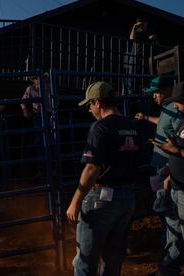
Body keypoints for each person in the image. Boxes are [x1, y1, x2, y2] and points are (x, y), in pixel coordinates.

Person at [66, 81, 141, 275]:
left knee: (86, 260)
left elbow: (92, 168)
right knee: (113, 258)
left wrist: (75, 201)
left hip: (102, 197)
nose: (90, 110)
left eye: (90, 104)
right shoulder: (131, 126)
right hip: (127, 197)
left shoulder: (100, 127)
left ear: (98, 102)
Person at [134, 75, 180, 248]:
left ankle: (171, 244)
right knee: (161, 205)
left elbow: (179, 137)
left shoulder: (174, 110)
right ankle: (167, 239)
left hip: (167, 168)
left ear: (168, 90)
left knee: (168, 207)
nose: (154, 96)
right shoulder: (167, 108)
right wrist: (146, 118)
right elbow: (162, 123)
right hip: (158, 166)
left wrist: (169, 168)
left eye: (157, 92)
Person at [151, 81, 184, 276]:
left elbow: (179, 151)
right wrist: (168, 171)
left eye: (178, 102)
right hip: (176, 184)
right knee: (173, 226)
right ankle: (169, 267)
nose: (176, 106)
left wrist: (176, 151)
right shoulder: (181, 123)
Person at [20, 73, 51, 176]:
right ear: (33, 80)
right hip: (38, 116)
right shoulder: (30, 89)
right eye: (36, 78)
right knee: (39, 143)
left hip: (49, 115)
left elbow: (57, 99)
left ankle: (50, 169)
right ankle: (41, 170)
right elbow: (23, 101)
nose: (39, 79)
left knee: (51, 141)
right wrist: (25, 111)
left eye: (41, 77)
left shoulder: (49, 87)